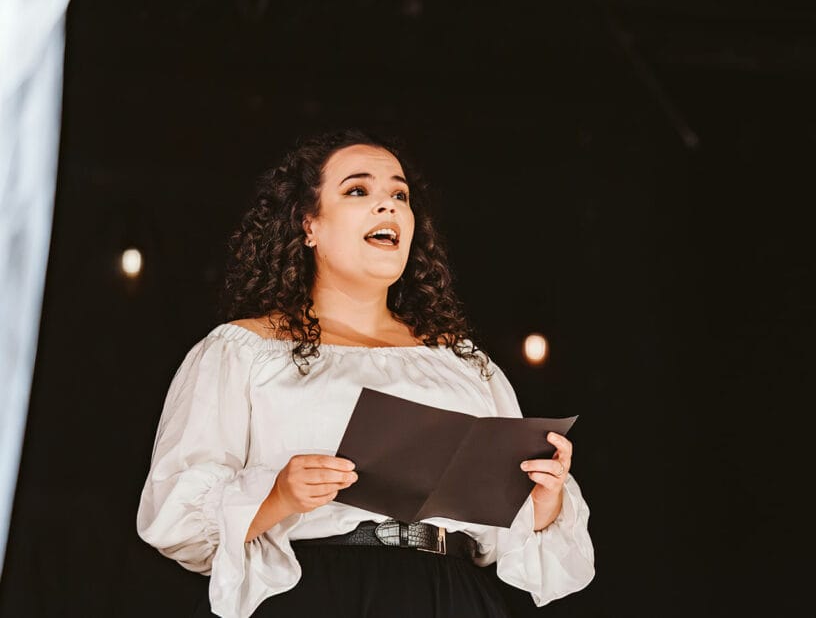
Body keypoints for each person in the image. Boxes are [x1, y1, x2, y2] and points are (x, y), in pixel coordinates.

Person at [135, 128, 596, 617]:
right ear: (309, 225)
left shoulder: (463, 363)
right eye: (358, 191)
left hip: (453, 593)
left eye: (400, 195)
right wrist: (277, 495)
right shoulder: (242, 351)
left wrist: (543, 502)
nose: (388, 206)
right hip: (319, 590)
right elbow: (174, 515)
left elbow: (506, 546)